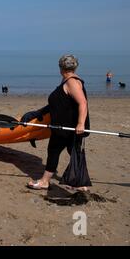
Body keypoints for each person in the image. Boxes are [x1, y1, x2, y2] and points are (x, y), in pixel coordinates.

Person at [22, 54, 90, 191]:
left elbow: (83, 103)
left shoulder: (71, 82)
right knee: (75, 152)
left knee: (53, 151)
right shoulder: (69, 81)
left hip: (67, 128)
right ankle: (81, 183)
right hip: (69, 127)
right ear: (75, 67)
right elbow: (59, 104)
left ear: (60, 68)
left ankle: (44, 181)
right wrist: (38, 113)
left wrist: (80, 124)